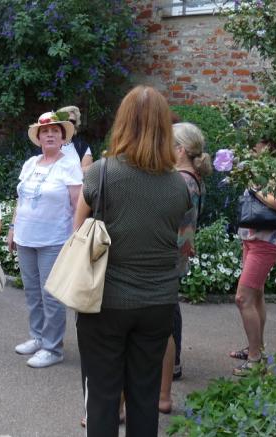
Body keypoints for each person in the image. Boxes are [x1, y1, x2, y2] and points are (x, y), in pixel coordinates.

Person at [75, 86, 191, 436]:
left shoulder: (101, 174)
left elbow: (77, 232)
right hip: (158, 303)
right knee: (144, 393)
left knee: (103, 396)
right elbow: (185, 248)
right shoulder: (179, 185)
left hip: (104, 301)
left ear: (122, 123)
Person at [7, 111, 83, 368]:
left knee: (51, 296)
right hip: (26, 237)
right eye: (45, 132)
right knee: (32, 292)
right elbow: (22, 199)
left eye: (55, 131)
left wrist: (75, 239)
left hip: (54, 239)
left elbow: (77, 205)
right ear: (38, 138)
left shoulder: (69, 165)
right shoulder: (30, 164)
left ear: (63, 137)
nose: (50, 135)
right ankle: (38, 337)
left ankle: (53, 348)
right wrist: (13, 228)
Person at [159, 122, 210, 413]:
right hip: (177, 252)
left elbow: (183, 227)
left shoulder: (182, 180)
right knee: (171, 308)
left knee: (167, 311)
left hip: (170, 253)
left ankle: (172, 365)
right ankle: (173, 363)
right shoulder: (191, 177)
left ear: (179, 149)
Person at [230, 139, 276, 376]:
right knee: (255, 296)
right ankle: (258, 348)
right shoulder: (260, 168)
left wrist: (255, 187)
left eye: (256, 141)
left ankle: (255, 361)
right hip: (253, 238)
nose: (252, 145)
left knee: (242, 299)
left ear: (268, 145)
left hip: (267, 241)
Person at [56, 105, 93, 170]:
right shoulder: (46, 144)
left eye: (72, 121)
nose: (69, 123)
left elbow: (87, 172)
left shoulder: (82, 146)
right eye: (65, 120)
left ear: (75, 125)